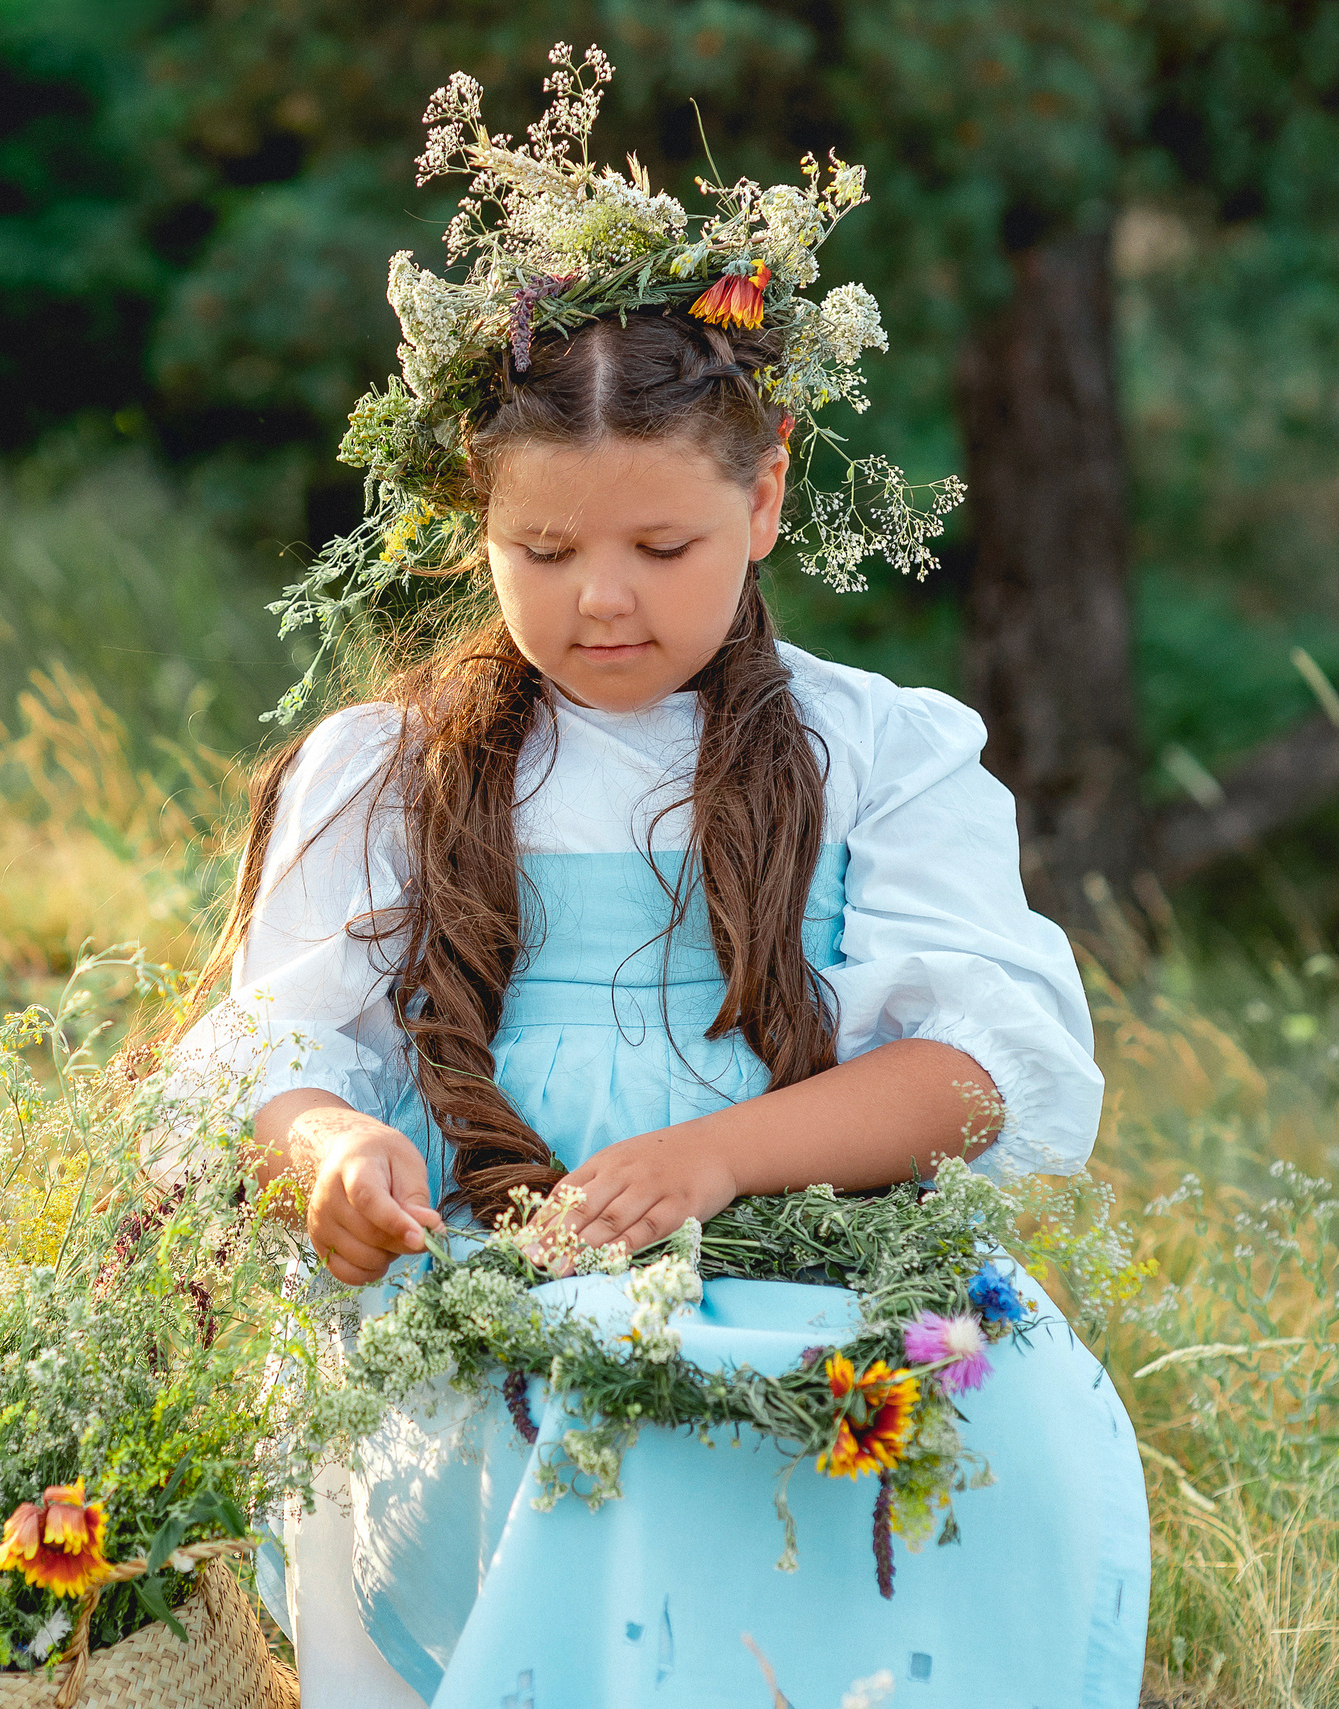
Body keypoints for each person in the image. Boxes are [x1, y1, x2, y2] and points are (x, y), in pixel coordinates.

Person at [165, 50, 1148, 1708]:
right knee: (541, 1426)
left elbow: (983, 1068)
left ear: (764, 498)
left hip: (803, 1270)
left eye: (661, 548)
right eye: (543, 552)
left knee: (1001, 1434)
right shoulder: (391, 765)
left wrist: (716, 1159)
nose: (600, 600)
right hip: (488, 1278)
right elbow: (276, 1051)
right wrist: (330, 1150)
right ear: (475, 517)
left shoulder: (879, 751)